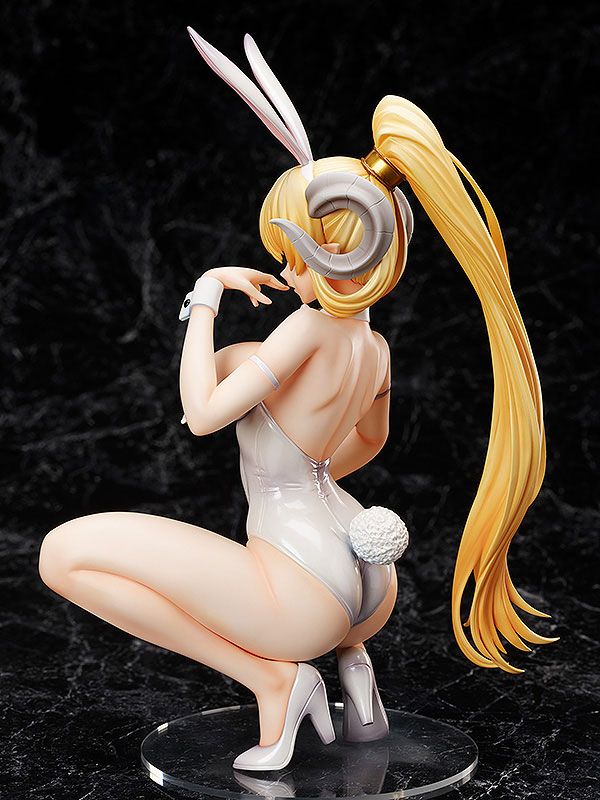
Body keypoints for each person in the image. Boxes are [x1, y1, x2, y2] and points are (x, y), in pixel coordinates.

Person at [38, 31, 555, 773]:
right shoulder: (374, 346)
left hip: (300, 588)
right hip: (368, 580)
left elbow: (201, 414)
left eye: (290, 254)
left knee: (63, 555)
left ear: (335, 251)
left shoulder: (307, 328)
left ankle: (274, 682)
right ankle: (358, 680)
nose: (284, 272)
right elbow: (369, 443)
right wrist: (305, 471)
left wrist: (205, 297)